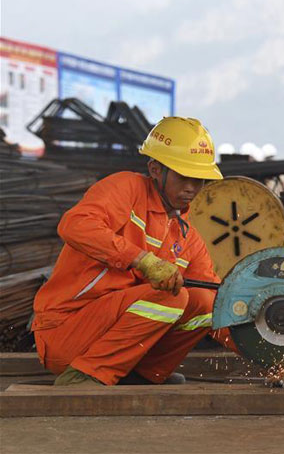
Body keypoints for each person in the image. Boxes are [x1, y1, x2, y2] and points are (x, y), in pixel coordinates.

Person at [32, 117, 234, 386]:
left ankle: (143, 374)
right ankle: (85, 376)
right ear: (154, 169)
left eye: (199, 180)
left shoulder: (186, 236)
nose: (191, 188)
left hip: (113, 340)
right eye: (183, 176)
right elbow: (75, 225)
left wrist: (270, 346)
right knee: (171, 298)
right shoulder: (125, 189)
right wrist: (142, 260)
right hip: (66, 333)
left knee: (205, 303)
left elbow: (218, 303)